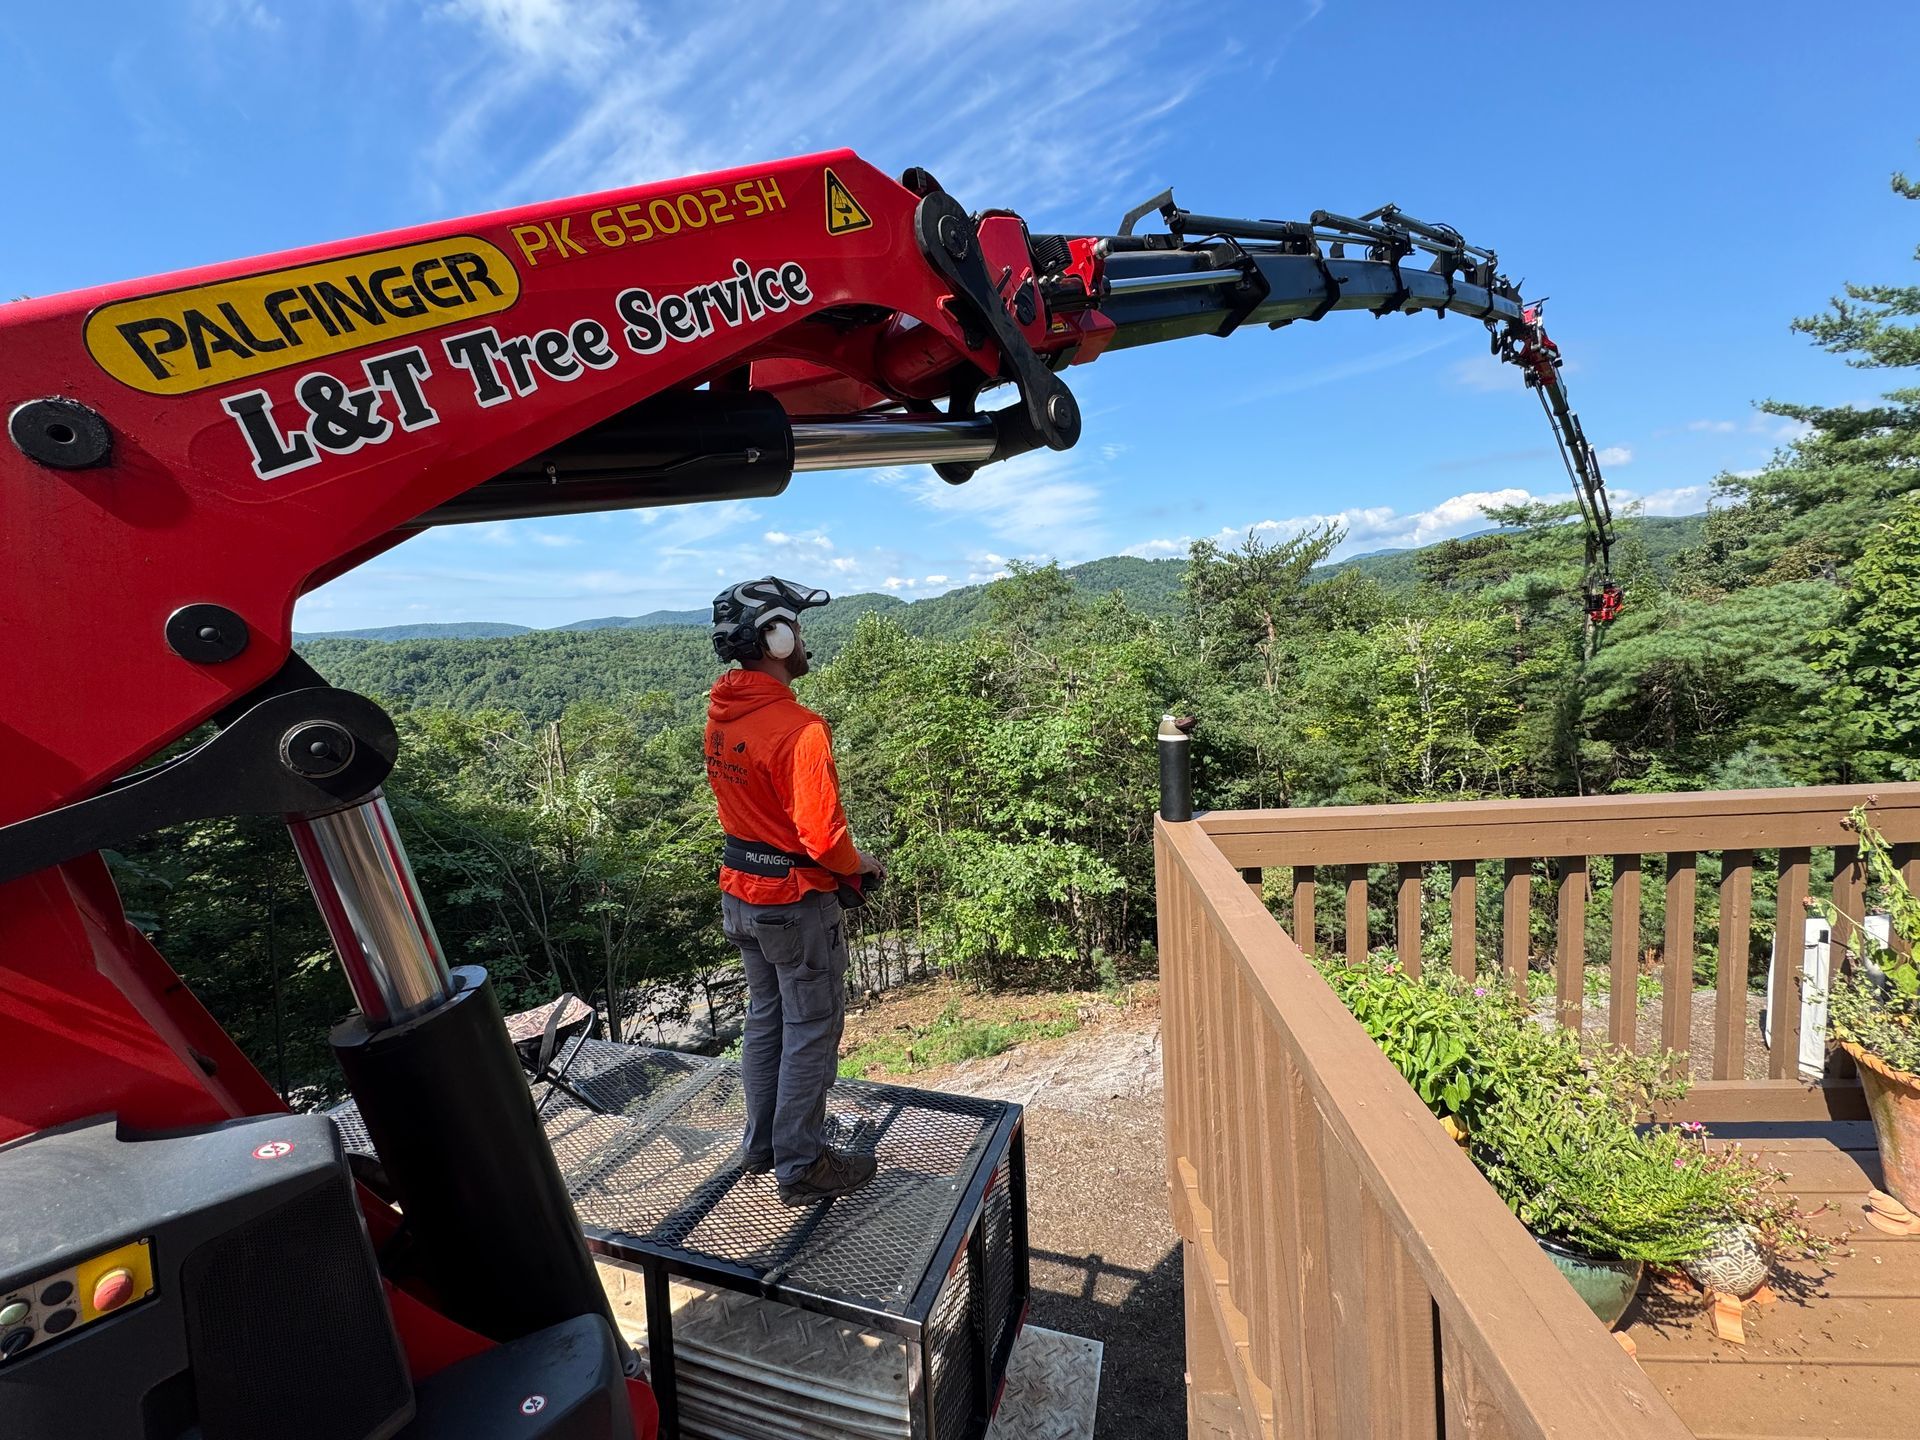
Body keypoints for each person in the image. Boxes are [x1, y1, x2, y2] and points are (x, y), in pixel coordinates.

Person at [704, 576, 885, 1204]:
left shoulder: (722, 712)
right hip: (792, 903)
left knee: (767, 1019)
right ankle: (802, 1163)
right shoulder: (798, 728)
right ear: (776, 639)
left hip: (741, 894)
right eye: (796, 628)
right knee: (811, 1026)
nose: (803, 640)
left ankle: (764, 1146)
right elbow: (822, 838)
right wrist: (859, 866)